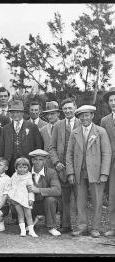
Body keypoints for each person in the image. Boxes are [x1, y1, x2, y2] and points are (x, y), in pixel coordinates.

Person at [66, 105, 111, 238]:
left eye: (87, 115)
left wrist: (104, 173)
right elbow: (69, 154)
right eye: (81, 116)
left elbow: (106, 153)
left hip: (96, 172)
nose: (84, 118)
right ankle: (82, 226)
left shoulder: (100, 131)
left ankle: (95, 228)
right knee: (80, 200)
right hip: (79, 172)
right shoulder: (75, 132)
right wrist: (70, 173)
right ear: (78, 117)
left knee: (97, 200)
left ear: (92, 116)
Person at [49, 97, 80, 233]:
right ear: (62, 110)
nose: (68, 111)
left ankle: (80, 226)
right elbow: (51, 147)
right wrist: (56, 162)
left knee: (80, 196)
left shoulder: (82, 122)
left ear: (75, 108)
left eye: (70, 108)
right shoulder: (58, 125)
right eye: (65, 108)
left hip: (78, 167)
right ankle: (65, 224)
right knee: (64, 198)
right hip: (61, 167)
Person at [0, 100, 43, 176]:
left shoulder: (32, 127)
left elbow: (38, 146)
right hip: (10, 163)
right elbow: (1, 147)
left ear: (22, 113)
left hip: (28, 163)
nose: (15, 114)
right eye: (13, 112)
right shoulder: (5, 129)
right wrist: (2, 162)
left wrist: (36, 161)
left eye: (18, 112)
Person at [27, 149, 62, 237]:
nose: (37, 162)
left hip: (45, 203)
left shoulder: (51, 172)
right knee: (16, 203)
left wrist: (38, 190)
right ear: (32, 161)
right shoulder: (26, 172)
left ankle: (51, 227)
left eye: (41, 159)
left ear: (45, 161)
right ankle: (30, 222)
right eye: (35, 159)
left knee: (50, 199)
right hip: (30, 203)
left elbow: (57, 190)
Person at [7, 157, 38, 237]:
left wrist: (31, 199)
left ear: (28, 168)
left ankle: (31, 231)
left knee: (28, 215)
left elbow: (30, 190)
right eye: (20, 167)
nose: (22, 169)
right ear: (16, 168)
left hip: (25, 198)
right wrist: (10, 196)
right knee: (20, 215)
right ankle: (23, 230)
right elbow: (10, 186)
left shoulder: (29, 177)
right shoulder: (14, 176)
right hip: (17, 198)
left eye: (25, 167)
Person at [101, 87, 115, 237]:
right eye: (111, 100)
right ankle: (113, 226)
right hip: (111, 164)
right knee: (113, 195)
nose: (113, 102)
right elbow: (102, 144)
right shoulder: (105, 121)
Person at [40, 101, 61, 169]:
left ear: (58, 113)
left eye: (52, 113)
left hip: (61, 164)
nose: (49, 116)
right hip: (47, 166)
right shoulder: (43, 130)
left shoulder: (65, 127)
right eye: (47, 114)